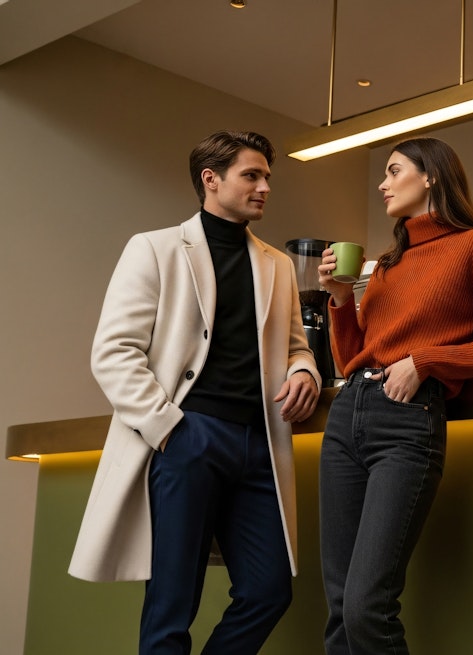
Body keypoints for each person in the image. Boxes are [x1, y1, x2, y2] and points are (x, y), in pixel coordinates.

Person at [69, 130, 322, 654]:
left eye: (267, 177)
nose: (265, 187)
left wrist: (305, 373)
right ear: (211, 179)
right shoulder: (156, 248)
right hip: (189, 437)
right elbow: (114, 351)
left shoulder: (275, 264)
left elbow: (297, 347)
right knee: (172, 601)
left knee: (269, 591)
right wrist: (168, 429)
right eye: (251, 175)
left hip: (259, 447)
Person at [317, 136, 473, 654]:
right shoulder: (388, 264)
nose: (383, 184)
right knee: (342, 610)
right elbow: (352, 358)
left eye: (392, 171)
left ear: (430, 175)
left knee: (368, 607)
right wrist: (342, 300)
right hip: (348, 416)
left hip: (407, 421)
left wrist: (427, 361)